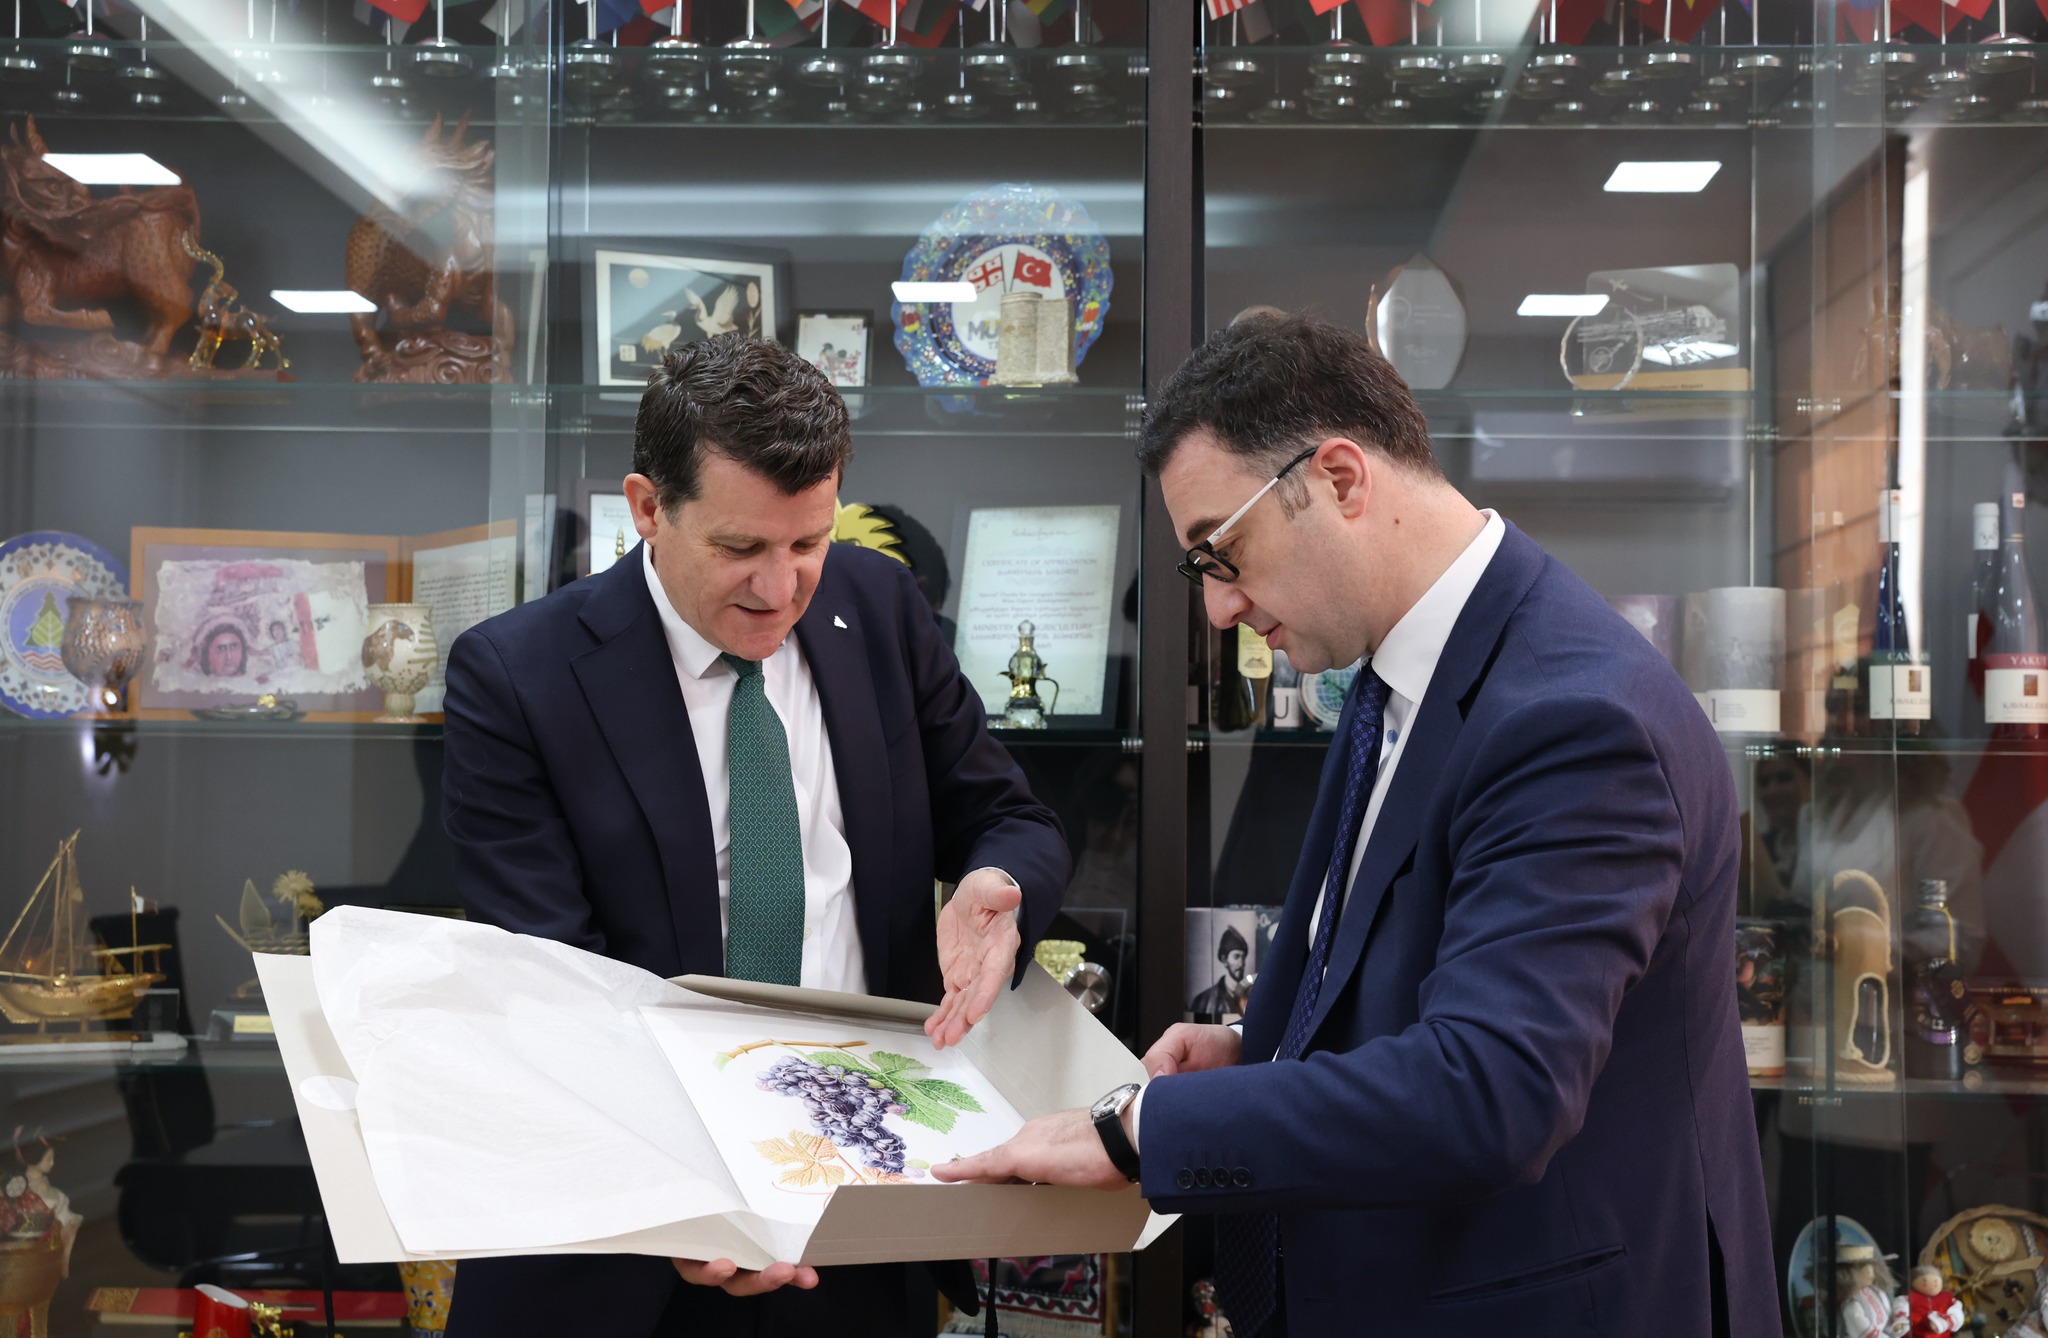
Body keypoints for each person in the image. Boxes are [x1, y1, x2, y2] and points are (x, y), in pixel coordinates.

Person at [934, 314, 1777, 1337]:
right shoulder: (1396, 673)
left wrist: (1141, 1127)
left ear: (1339, 479)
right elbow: (1424, 966)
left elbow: (1492, 1091)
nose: (1218, 610)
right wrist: (1254, 1049)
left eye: (1221, 551)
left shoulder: (1572, 719)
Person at [440, 333, 1071, 1338]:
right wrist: (689, 1201)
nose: (779, 589)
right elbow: (555, 990)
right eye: (740, 549)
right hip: (625, 1244)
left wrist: (999, 884)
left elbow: (1008, 816)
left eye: (806, 544)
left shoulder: (879, 608)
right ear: (648, 508)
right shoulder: (517, 677)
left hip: (861, 1219)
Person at [1188, 924, 1250, 1023]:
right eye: (1236, 957)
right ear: (1224, 960)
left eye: (1243, 957)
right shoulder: (1204, 1001)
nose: (1241, 963)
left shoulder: (1252, 996)